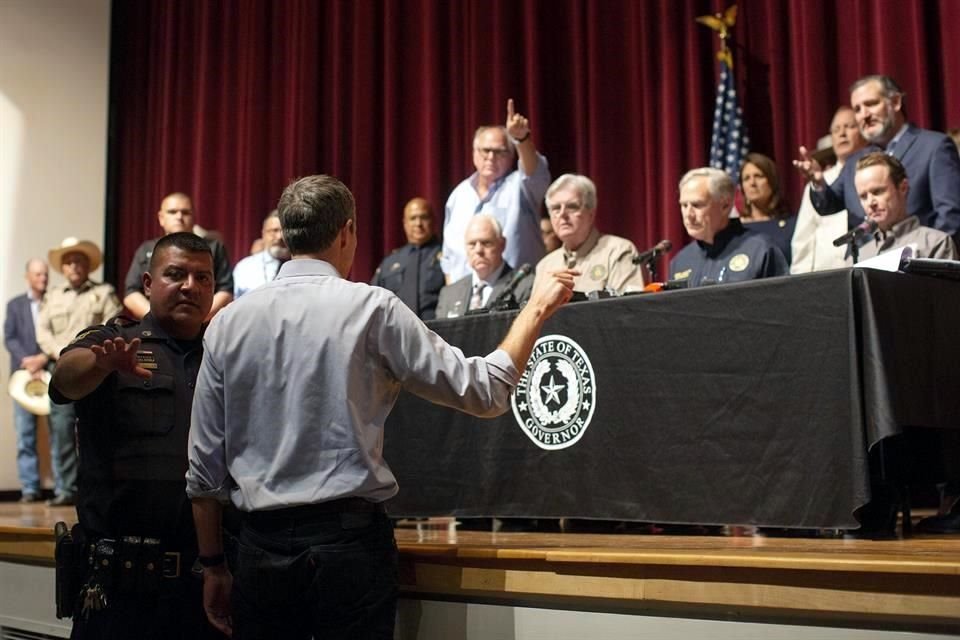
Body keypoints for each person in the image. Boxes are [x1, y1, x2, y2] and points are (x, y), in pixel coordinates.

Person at [186, 174, 576, 639]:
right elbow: (483, 392)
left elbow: (203, 471)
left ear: (288, 234)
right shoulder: (373, 309)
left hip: (256, 547)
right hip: (347, 546)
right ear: (347, 232)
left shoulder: (226, 324)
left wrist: (212, 566)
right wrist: (535, 310)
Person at [49, 232, 225, 639]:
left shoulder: (225, 354)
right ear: (148, 284)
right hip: (121, 586)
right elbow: (65, 381)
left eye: (203, 278)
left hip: (205, 582)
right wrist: (101, 365)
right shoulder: (114, 341)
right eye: (176, 274)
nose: (191, 286)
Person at [794, 74, 960, 237]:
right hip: (864, 259)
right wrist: (818, 183)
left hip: (917, 257)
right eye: (857, 109)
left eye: (871, 104)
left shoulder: (933, 146)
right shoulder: (855, 161)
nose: (864, 115)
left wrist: (931, 257)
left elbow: (950, 215)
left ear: (895, 102)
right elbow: (827, 205)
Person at [37, 238, 123, 506]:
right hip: (61, 369)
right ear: (63, 268)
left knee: (96, 427)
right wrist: (60, 354)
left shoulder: (104, 292)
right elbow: (43, 331)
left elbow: (115, 323)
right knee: (62, 430)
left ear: (88, 266)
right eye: (69, 262)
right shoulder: (53, 296)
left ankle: (95, 487)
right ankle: (66, 489)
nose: (75, 266)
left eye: (80, 261)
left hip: (96, 369)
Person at [442, 99, 551, 282]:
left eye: (500, 152)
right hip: (468, 298)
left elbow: (535, 173)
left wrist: (521, 139)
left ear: (511, 155)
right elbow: (449, 258)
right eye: (485, 150)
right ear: (474, 152)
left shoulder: (520, 187)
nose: (491, 157)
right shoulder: (459, 195)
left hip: (516, 292)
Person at [669, 168, 788, 287]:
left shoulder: (760, 250)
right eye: (684, 205)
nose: (689, 215)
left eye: (697, 205)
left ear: (725, 205)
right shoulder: (680, 261)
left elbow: (784, 300)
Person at [124, 193, 233, 319]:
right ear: (161, 218)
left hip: (203, 328)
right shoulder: (146, 249)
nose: (179, 217)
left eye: (185, 212)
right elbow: (131, 293)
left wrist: (196, 318)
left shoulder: (214, 248)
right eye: (172, 212)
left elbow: (226, 291)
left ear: (194, 217)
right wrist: (158, 320)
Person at [535, 174, 645, 294]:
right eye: (556, 208)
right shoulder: (545, 266)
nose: (562, 214)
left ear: (591, 213)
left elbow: (628, 308)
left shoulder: (618, 251)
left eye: (572, 207)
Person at [791, 106, 867, 273]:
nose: (842, 134)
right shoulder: (819, 181)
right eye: (836, 129)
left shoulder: (873, 175)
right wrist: (800, 279)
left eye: (849, 127)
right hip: (825, 274)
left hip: (864, 265)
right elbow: (803, 237)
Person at [851, 153, 958, 262]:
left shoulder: (936, 243)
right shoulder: (857, 258)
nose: (870, 203)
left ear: (903, 188)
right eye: (863, 196)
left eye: (878, 191)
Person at [3, 258, 49, 502]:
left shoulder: (55, 302)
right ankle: (30, 489)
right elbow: (9, 338)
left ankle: (65, 489)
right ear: (27, 276)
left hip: (51, 373)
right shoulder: (14, 305)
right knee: (25, 435)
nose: (43, 278)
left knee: (61, 435)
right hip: (22, 378)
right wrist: (28, 361)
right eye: (38, 274)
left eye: (45, 274)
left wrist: (42, 359)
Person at [435, 214, 534, 318]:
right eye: (472, 244)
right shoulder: (449, 294)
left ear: (502, 244)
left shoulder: (525, 286)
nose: (478, 250)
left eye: (486, 243)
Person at [370, 197, 444, 320]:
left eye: (424, 217)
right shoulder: (390, 262)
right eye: (413, 218)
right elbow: (375, 300)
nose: (418, 223)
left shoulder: (447, 256)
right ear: (405, 223)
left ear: (433, 221)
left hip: (437, 331)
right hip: (397, 333)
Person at [739, 153, 797, 264]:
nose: (752, 183)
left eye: (758, 176)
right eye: (746, 178)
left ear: (772, 181)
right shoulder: (734, 229)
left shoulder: (792, 225)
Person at [232, 210, 290, 298]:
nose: (279, 237)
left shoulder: (302, 265)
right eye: (274, 231)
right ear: (263, 233)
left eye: (284, 231)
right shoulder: (245, 267)